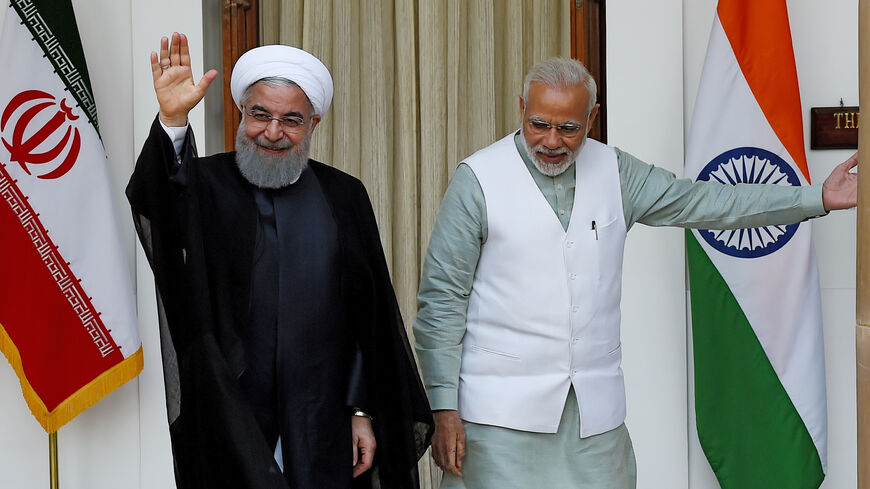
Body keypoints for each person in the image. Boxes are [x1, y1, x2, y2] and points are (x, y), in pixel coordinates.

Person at [413, 57, 858, 489]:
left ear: (592, 118)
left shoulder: (617, 170)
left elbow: (707, 203)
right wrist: (443, 408)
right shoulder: (478, 178)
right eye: (539, 124)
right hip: (496, 422)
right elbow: (441, 302)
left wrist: (816, 197)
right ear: (521, 109)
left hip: (596, 428)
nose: (551, 141)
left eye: (568, 128)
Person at [127, 33, 433, 489]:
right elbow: (159, 207)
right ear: (241, 113)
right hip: (232, 413)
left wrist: (361, 409)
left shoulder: (343, 196)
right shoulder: (206, 184)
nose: (273, 132)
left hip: (323, 414)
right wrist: (172, 120)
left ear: (315, 123)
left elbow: (366, 319)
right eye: (260, 115)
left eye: (291, 120)